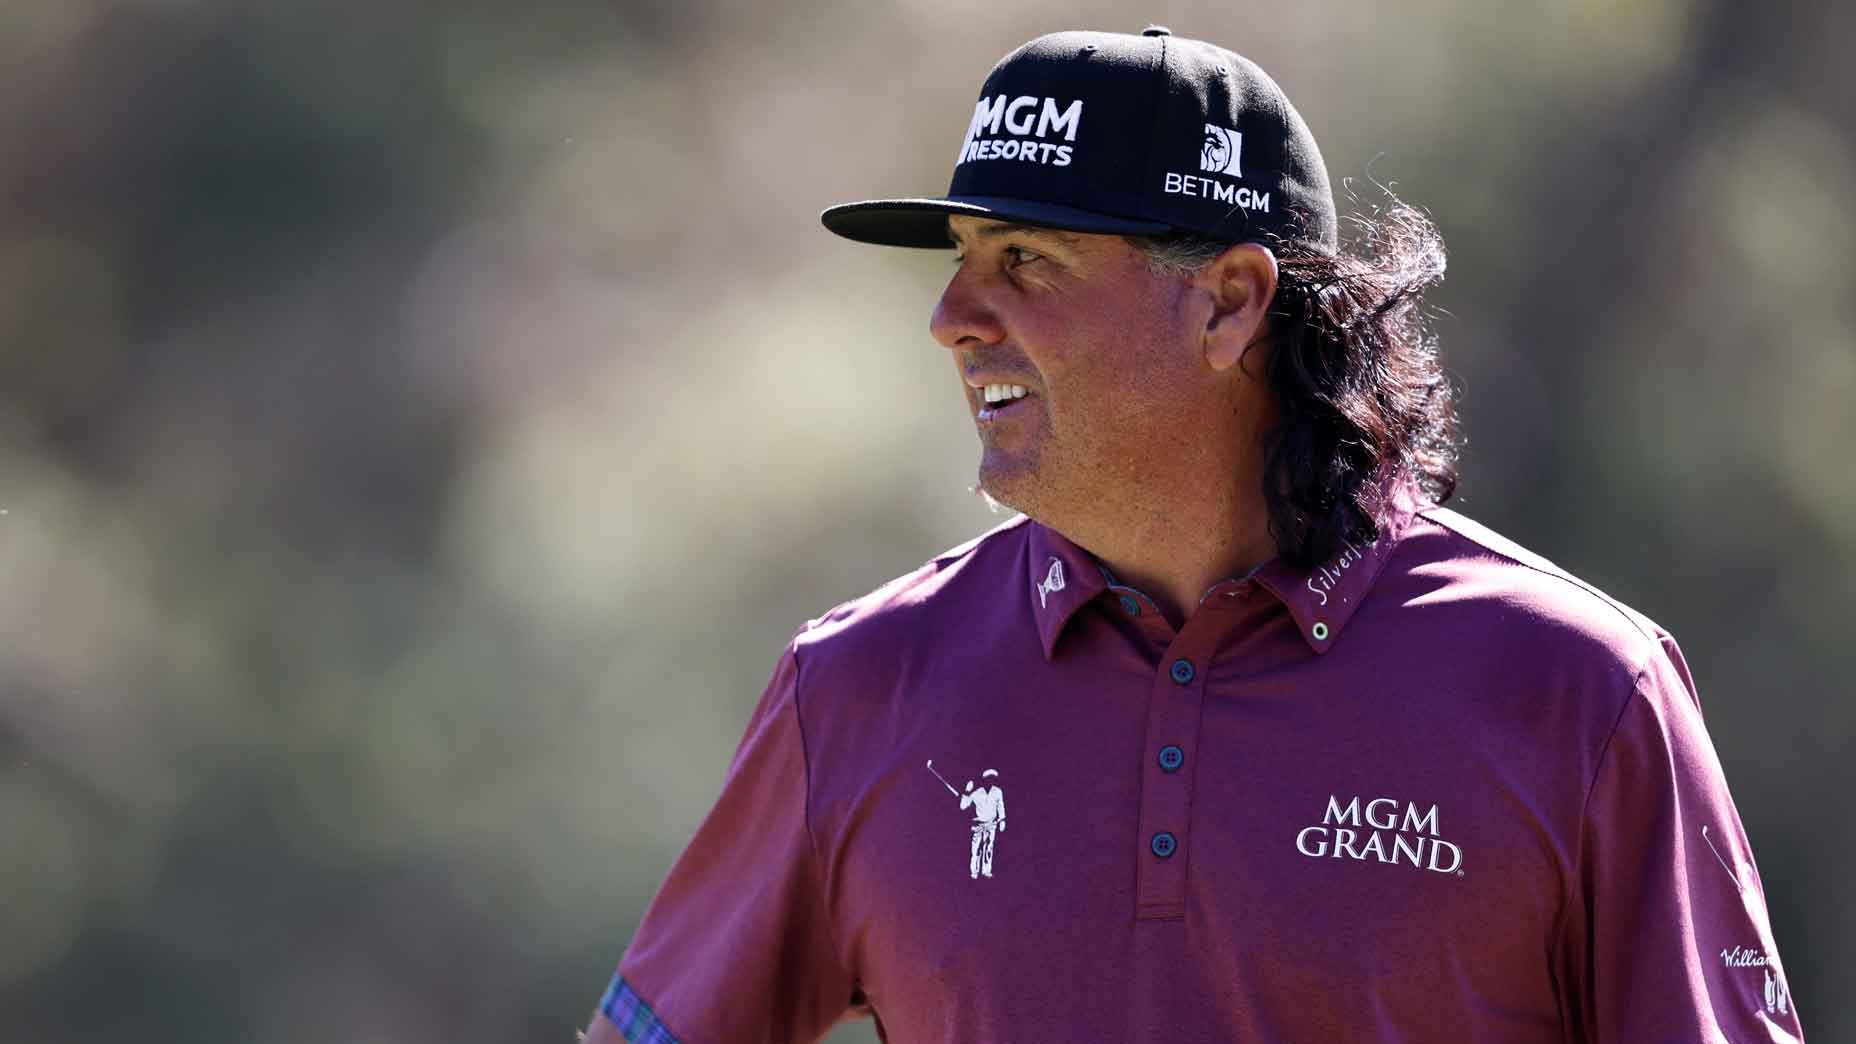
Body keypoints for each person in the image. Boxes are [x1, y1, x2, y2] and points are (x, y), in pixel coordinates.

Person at [583, 26, 1803, 1044]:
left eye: (1025, 261)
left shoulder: (1577, 690)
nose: (952, 319)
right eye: (961, 261)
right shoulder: (855, 688)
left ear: (1226, 303)